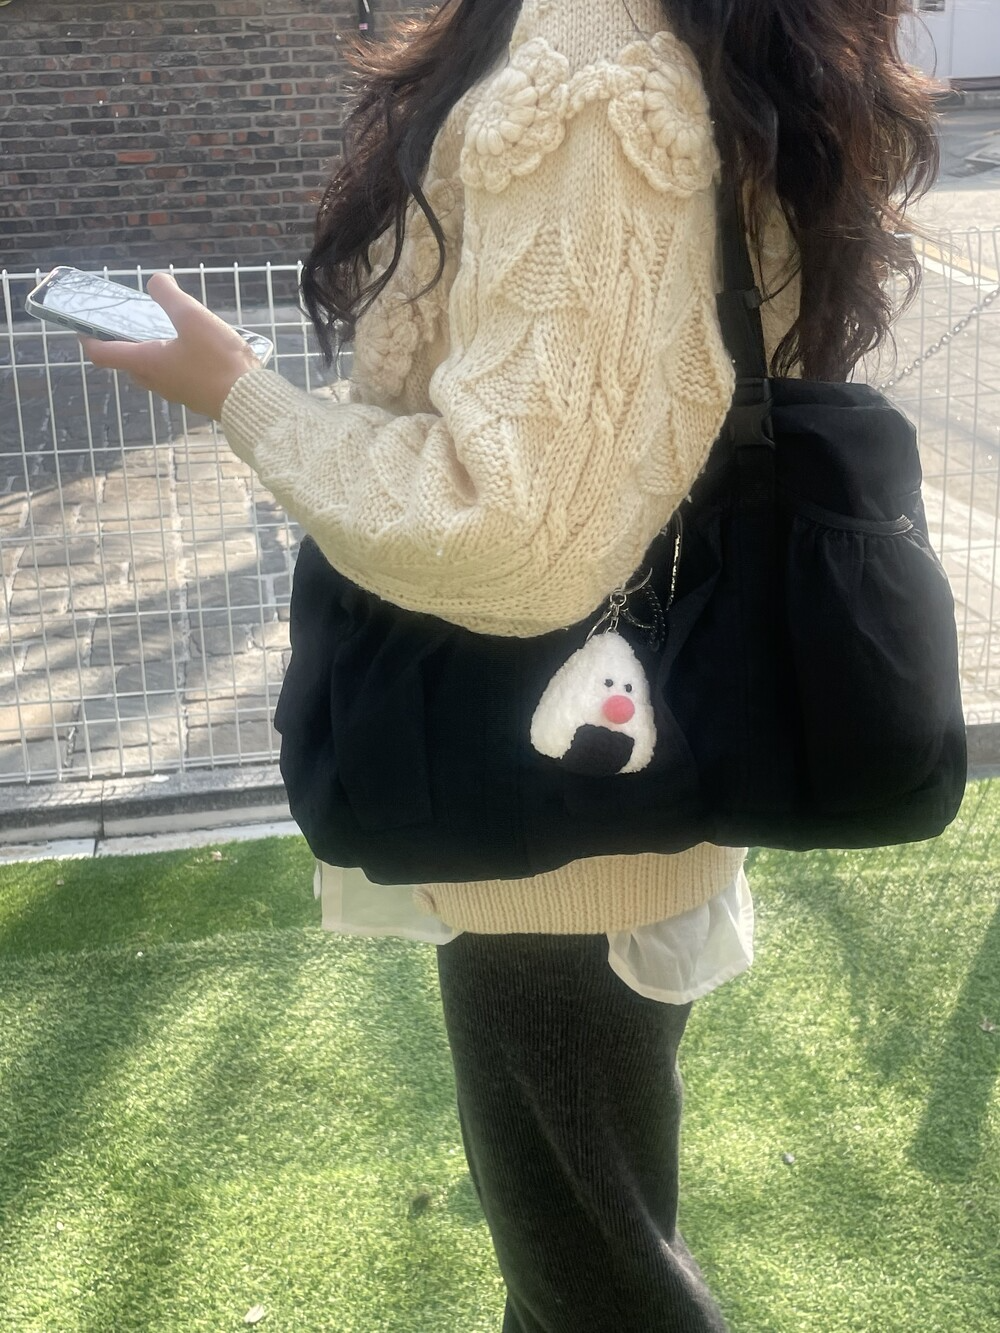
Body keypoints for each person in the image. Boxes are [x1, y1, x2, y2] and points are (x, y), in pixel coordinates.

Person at [81, 1, 939, 1327]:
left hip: (558, 826)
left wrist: (240, 396)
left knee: (592, 1278)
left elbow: (518, 532)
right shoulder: (656, 41)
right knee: (580, 1256)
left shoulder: (589, 77)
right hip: (609, 782)